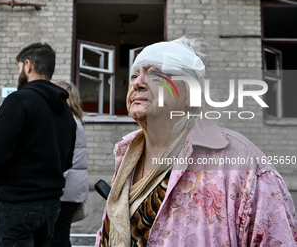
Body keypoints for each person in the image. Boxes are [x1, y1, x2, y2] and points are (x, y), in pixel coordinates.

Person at [95, 36, 297, 246]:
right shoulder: (128, 155)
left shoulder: (242, 163)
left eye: (156, 74)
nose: (137, 83)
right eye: (135, 75)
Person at [0, 43, 77, 247]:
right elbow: (68, 159)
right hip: (51, 205)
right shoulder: (66, 110)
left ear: (28, 65)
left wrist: (2, 182)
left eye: (19, 68)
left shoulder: (19, 101)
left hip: (18, 203)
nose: (19, 74)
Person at [51, 81, 89, 247]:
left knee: (57, 235)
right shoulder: (75, 121)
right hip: (72, 188)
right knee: (59, 233)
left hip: (64, 189)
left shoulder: (67, 122)